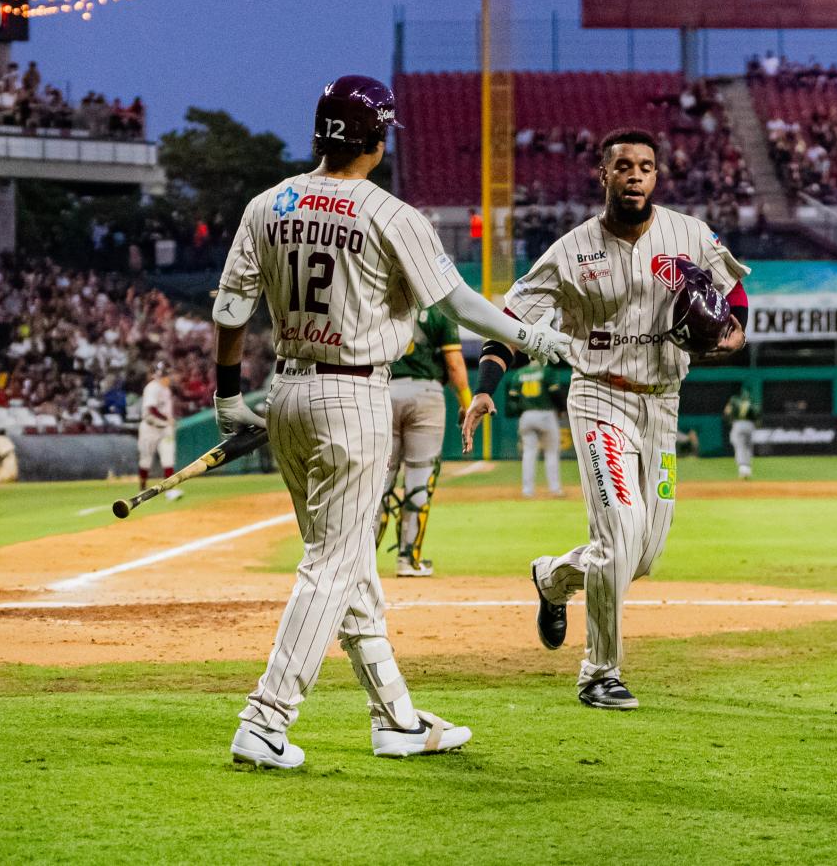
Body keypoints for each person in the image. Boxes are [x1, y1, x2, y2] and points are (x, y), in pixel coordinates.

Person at [211, 74, 573, 769]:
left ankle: (397, 717)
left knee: (350, 567)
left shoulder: (267, 203)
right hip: (353, 396)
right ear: (378, 140)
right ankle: (265, 719)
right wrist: (535, 339)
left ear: (319, 133)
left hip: (285, 390)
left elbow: (230, 311)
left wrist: (229, 397)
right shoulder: (391, 212)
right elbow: (462, 305)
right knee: (334, 563)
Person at [462, 128, 750, 712]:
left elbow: (735, 297)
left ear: (657, 176)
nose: (635, 175)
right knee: (619, 530)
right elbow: (511, 321)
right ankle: (600, 673)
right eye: (623, 166)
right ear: (604, 176)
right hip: (599, 398)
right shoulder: (571, 251)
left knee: (642, 556)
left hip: (663, 405)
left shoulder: (689, 234)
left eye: (646, 166)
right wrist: (488, 387)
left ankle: (553, 579)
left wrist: (733, 336)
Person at [377, 304, 469, 577]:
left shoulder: (381, 303)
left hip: (382, 391)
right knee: (419, 480)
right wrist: (466, 402)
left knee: (376, 481)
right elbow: (454, 363)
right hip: (426, 395)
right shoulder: (440, 309)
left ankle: (361, 563)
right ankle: (409, 559)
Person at [506, 360, 566, 498]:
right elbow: (555, 392)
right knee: (551, 452)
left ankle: (527, 491)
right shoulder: (547, 371)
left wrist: (520, 412)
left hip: (526, 415)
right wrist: (562, 408)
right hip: (546, 414)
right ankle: (555, 489)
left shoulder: (519, 373)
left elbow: (512, 399)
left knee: (528, 453)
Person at [137, 362, 177, 493]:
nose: (169, 377)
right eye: (167, 374)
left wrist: (167, 420)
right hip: (150, 428)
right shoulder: (152, 387)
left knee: (168, 458)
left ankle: (169, 491)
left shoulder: (166, 389)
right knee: (146, 459)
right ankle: (142, 489)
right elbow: (151, 408)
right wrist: (166, 418)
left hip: (165, 428)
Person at [724, 386, 760, 480]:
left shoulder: (735, 401)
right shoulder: (752, 402)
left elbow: (727, 411)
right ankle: (747, 468)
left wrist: (730, 420)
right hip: (750, 425)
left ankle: (743, 468)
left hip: (738, 424)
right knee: (748, 446)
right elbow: (757, 414)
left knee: (739, 446)